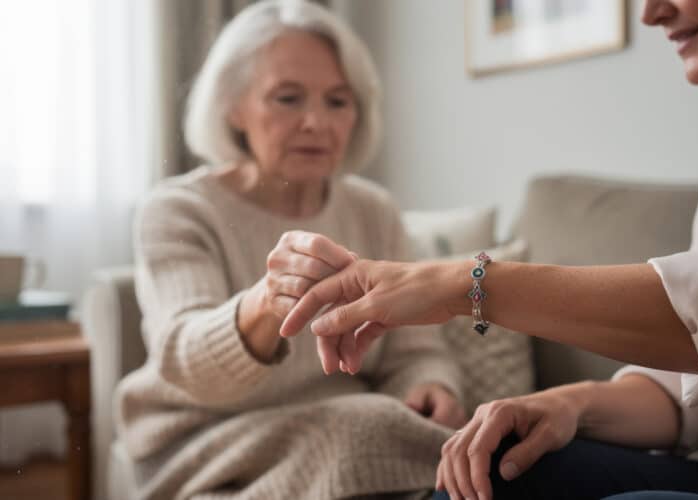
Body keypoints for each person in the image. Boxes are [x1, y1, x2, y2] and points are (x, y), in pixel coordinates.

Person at [280, 1, 698, 499]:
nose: (651, 13)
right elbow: (692, 381)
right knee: (499, 466)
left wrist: (461, 284)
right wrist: (565, 404)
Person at [114, 2, 465, 499]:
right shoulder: (179, 209)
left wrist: (432, 386)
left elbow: (416, 350)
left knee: (421, 433)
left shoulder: (374, 210)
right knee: (370, 430)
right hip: (206, 433)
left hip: (336, 424)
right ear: (233, 106)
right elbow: (185, 361)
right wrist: (263, 302)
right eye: (288, 98)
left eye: (338, 102)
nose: (316, 123)